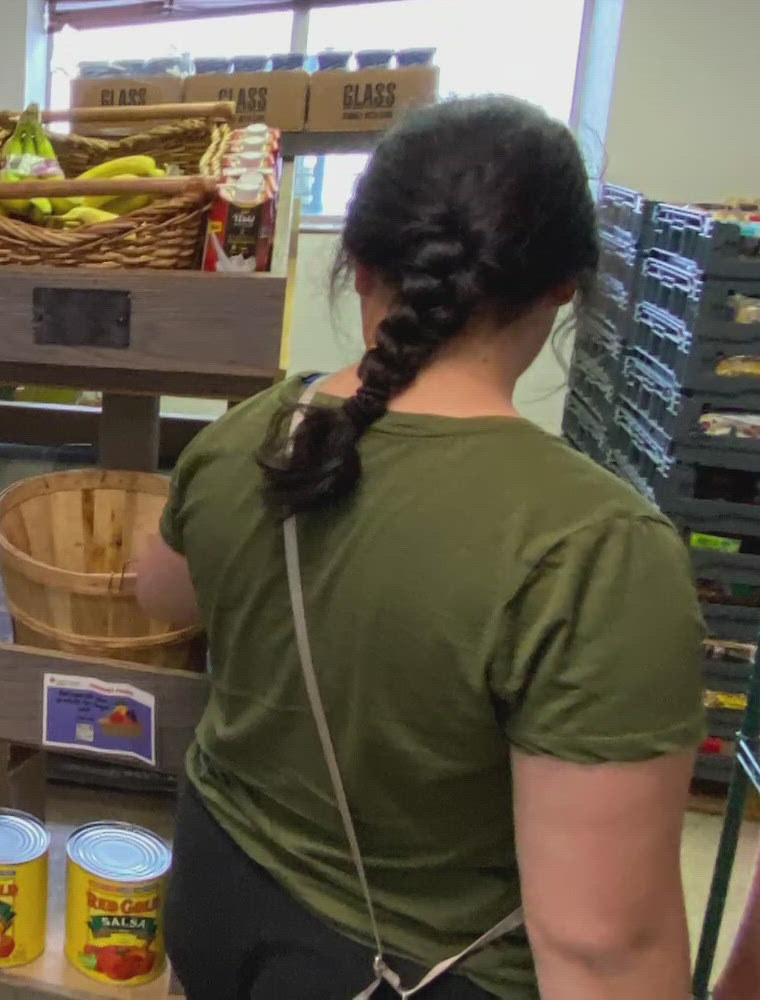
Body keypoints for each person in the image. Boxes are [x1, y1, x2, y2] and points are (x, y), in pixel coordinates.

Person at [140, 97, 700, 999]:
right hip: (410, 966)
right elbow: (604, 948)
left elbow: (162, 595)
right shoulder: (593, 548)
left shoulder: (251, 435)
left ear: (357, 267)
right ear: (565, 287)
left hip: (217, 898)